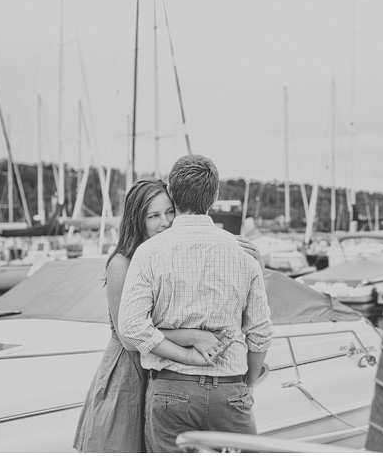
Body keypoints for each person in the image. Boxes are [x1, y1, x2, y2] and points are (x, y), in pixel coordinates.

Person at [73, 178, 264, 452]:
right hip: (131, 373)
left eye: (170, 212)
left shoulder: (168, 253)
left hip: (166, 374)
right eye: (154, 216)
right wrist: (192, 337)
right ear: (137, 220)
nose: (164, 222)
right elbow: (129, 338)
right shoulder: (122, 264)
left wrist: (256, 264)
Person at [118, 154, 273, 452]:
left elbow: (132, 327)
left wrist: (185, 357)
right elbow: (260, 333)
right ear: (214, 196)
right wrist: (249, 385)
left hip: (170, 391)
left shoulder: (149, 252)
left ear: (173, 194)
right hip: (230, 390)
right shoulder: (243, 253)